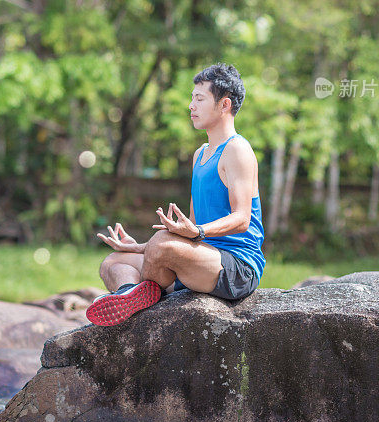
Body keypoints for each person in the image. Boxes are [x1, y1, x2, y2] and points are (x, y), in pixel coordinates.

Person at [86, 63, 266, 326]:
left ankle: (142, 293)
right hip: (200, 259)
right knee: (113, 262)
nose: (191, 106)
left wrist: (196, 233)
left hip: (237, 268)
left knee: (161, 242)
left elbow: (241, 219)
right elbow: (190, 231)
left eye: (199, 99)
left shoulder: (237, 150)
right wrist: (138, 247)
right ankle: (129, 294)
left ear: (224, 105)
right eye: (192, 99)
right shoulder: (200, 154)